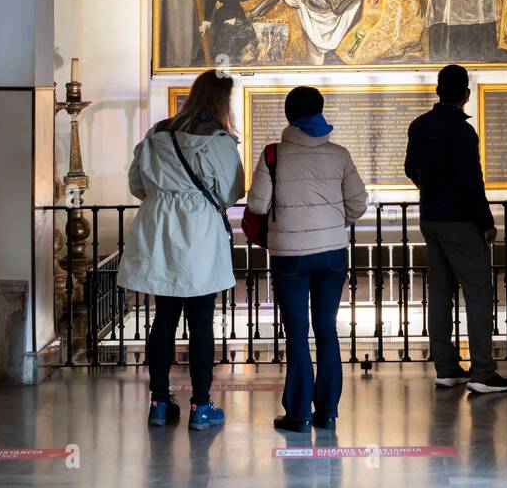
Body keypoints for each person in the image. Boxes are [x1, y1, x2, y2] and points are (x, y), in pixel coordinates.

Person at [118, 71, 245, 430]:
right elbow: (231, 192)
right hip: (199, 233)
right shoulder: (219, 141)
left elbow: (136, 184)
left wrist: (165, 197)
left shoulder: (158, 133)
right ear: (223, 101)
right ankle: (200, 406)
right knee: (201, 322)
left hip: (159, 230)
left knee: (163, 319)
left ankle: (159, 403)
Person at [245, 86, 368, 432]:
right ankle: (327, 412)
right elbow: (358, 203)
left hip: (290, 255)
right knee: (327, 328)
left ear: (289, 116)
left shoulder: (274, 154)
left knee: (297, 332)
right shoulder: (339, 154)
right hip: (332, 253)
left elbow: (257, 206)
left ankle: (298, 415)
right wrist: (332, 223)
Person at [404, 65, 507, 395]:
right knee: (478, 294)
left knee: (440, 293)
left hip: (431, 218)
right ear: (466, 94)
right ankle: (483, 371)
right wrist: (486, 222)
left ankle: (446, 368)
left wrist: (431, 189)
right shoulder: (463, 132)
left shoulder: (419, 125)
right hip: (461, 222)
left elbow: (410, 168)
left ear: (438, 91)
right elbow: (470, 183)